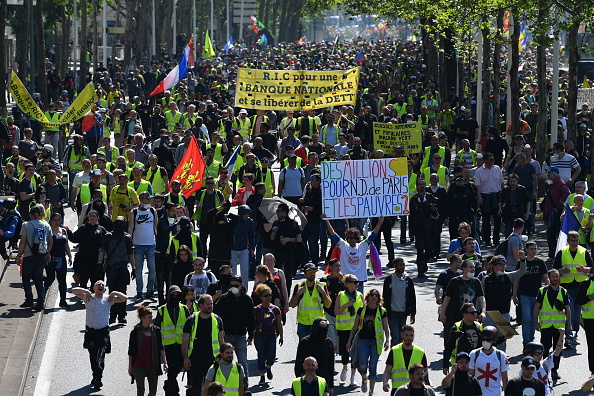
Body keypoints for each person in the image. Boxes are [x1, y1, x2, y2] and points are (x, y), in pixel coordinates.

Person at [72, 280, 127, 390]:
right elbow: (74, 290)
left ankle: (98, 379)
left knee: (100, 356)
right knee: (93, 357)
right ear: (94, 288)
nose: (101, 286)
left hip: (103, 333)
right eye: (98, 284)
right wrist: (85, 291)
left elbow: (124, 298)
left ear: (105, 289)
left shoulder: (108, 299)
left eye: (103, 285)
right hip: (91, 333)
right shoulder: (89, 298)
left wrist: (114, 292)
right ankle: (95, 375)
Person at [213, 275, 254, 390]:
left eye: (236, 286)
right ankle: (219, 387)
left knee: (243, 363)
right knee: (222, 363)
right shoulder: (224, 299)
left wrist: (251, 335)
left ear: (241, 286)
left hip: (240, 336)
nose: (233, 288)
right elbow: (216, 314)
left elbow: (251, 319)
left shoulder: (247, 300)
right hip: (226, 337)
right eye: (231, 286)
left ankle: (244, 388)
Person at [346, 289, 390, 395]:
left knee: (373, 366)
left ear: (378, 298)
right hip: (363, 341)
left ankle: (371, 391)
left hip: (376, 342)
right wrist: (349, 341)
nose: (374, 297)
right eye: (372, 295)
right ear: (368, 297)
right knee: (362, 366)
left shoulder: (382, 311)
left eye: (376, 295)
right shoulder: (362, 310)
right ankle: (364, 379)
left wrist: (387, 340)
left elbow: (386, 328)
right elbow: (355, 327)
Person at [553, 230, 592, 347]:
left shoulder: (584, 251)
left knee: (577, 314)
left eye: (577, 240)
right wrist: (561, 271)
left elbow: (592, 268)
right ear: (568, 241)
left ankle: (574, 335)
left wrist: (584, 269)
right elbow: (554, 270)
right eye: (572, 241)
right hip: (567, 287)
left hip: (581, 287)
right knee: (570, 312)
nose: (575, 243)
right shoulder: (562, 252)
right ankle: (568, 336)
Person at [324, 216, 384, 291]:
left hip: (359, 281)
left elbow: (373, 235)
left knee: (359, 301)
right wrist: (326, 220)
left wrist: (380, 222)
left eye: (352, 238)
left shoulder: (363, 246)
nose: (350, 240)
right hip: (345, 280)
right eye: (348, 237)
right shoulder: (343, 245)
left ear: (356, 238)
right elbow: (333, 234)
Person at [182, 294, 225, 396]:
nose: (210, 306)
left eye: (211, 304)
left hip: (212, 360)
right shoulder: (191, 320)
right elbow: (185, 341)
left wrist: (223, 357)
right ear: (200, 305)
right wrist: (185, 358)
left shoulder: (217, 320)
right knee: (195, 387)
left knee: (213, 388)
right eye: (207, 304)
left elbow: (221, 340)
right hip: (195, 360)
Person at [481, 254, 526, 351]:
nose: (503, 267)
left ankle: (500, 360)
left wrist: (522, 259)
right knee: (487, 339)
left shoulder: (509, 277)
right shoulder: (486, 279)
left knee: (502, 340)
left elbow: (522, 271)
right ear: (494, 266)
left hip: (504, 314)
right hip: (489, 314)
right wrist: (480, 312)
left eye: (504, 265)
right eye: (501, 265)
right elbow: (481, 297)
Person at [154, 285, 190, 396]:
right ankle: (173, 393)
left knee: (177, 368)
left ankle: (168, 386)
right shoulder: (162, 310)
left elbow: (190, 327)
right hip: (167, 347)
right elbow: (156, 328)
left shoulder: (184, 309)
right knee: (171, 371)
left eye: (177, 295)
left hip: (181, 346)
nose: (175, 297)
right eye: (173, 295)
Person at [534, 268, 570, 380]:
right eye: (553, 276)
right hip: (546, 325)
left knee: (558, 348)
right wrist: (536, 322)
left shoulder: (563, 291)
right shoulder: (542, 291)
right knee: (545, 347)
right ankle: (544, 368)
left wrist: (569, 325)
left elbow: (567, 309)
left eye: (557, 276)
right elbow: (537, 307)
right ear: (549, 278)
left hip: (559, 326)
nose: (555, 278)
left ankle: (554, 370)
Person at [440, 259, 486, 344]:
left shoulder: (476, 282)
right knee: (451, 341)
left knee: (470, 342)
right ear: (464, 269)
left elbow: (481, 298)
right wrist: (442, 314)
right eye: (470, 267)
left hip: (470, 318)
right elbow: (447, 298)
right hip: (454, 318)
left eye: (474, 267)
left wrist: (483, 312)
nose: (473, 269)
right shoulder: (455, 281)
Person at [99, 215, 135, 324]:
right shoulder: (108, 236)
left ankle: (122, 316)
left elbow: (131, 254)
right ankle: (113, 315)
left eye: (121, 223)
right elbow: (102, 250)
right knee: (112, 293)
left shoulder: (127, 238)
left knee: (122, 292)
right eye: (117, 223)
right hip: (111, 269)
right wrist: (99, 264)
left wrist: (133, 268)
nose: (119, 225)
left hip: (123, 268)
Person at [513, 241, 549, 349]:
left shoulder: (540, 262)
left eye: (535, 248)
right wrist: (514, 294)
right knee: (526, 318)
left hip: (537, 295)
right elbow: (516, 279)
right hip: (524, 294)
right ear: (527, 250)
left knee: (534, 319)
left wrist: (547, 289)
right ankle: (526, 342)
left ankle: (531, 342)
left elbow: (546, 277)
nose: (534, 251)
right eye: (532, 249)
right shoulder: (521, 262)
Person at [16, 205, 53, 309]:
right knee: (39, 278)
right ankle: (41, 302)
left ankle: (29, 299)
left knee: (26, 277)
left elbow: (22, 242)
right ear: (40, 215)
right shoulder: (46, 225)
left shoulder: (26, 225)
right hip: (41, 256)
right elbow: (50, 242)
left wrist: (19, 256)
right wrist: (47, 253)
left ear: (31, 215)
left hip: (28, 255)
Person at [127, 306, 168, 396]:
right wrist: (130, 367)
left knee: (153, 392)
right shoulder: (135, 332)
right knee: (140, 390)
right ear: (142, 318)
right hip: (138, 365)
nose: (151, 319)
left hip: (153, 365)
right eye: (149, 317)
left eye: (152, 317)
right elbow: (131, 351)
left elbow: (161, 348)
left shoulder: (156, 331)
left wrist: (165, 362)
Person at [334, 274, 363, 387]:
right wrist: (346, 305)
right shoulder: (341, 295)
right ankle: (345, 367)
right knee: (345, 353)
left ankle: (353, 376)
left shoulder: (360, 295)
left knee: (355, 354)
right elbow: (336, 312)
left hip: (356, 330)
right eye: (354, 282)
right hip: (344, 329)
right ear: (348, 283)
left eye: (357, 282)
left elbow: (363, 312)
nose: (357, 284)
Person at [129, 191, 158, 302]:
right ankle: (139, 292)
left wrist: (157, 241)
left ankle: (150, 291)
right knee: (138, 271)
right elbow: (131, 227)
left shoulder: (152, 210)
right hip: (138, 244)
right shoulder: (134, 212)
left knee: (152, 269)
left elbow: (156, 227)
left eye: (149, 199)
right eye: (146, 199)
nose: (148, 201)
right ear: (141, 200)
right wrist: (130, 242)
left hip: (151, 244)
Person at [290, 263, 332, 339]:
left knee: (318, 349)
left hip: (319, 323)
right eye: (309, 272)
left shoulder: (322, 286)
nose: (312, 274)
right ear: (305, 274)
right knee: (305, 349)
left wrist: (323, 293)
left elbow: (328, 304)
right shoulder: (299, 286)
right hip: (303, 324)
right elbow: (292, 305)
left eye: (313, 272)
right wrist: (298, 294)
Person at [253, 283, 283, 386]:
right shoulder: (256, 310)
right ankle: (262, 376)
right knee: (261, 355)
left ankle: (269, 367)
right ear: (261, 297)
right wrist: (250, 336)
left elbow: (279, 324)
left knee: (271, 356)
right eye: (266, 295)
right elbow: (253, 323)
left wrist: (281, 336)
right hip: (259, 335)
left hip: (271, 336)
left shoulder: (275, 309)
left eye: (270, 295)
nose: (269, 297)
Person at [382, 325, 428, 393]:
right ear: (402, 335)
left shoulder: (420, 352)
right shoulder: (394, 351)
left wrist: (426, 388)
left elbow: (425, 373)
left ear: (414, 336)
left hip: (416, 390)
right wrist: (385, 383)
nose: (409, 338)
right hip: (397, 390)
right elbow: (387, 371)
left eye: (411, 335)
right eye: (406, 335)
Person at [295, 318, 335, 395]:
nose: (324, 329)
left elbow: (330, 365)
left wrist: (331, 386)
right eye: (322, 326)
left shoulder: (328, 343)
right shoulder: (305, 342)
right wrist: (299, 382)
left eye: (326, 327)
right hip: (307, 381)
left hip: (323, 382)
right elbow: (299, 364)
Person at [383, 258, 416, 346]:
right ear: (395, 266)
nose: (402, 267)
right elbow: (384, 297)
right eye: (400, 265)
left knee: (402, 337)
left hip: (403, 312)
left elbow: (412, 297)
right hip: (392, 313)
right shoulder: (389, 279)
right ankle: (393, 357)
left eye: (403, 265)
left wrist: (413, 313)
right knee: (395, 336)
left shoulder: (408, 280)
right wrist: (385, 313)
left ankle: (401, 356)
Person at [469, 326, 510, 396]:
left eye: (488, 339)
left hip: (495, 393)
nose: (485, 341)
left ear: (494, 340)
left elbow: (505, 378)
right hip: (478, 394)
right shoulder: (474, 354)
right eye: (483, 339)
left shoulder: (500, 355)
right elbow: (470, 376)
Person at [409, 178, 438, 277]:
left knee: (430, 250)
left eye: (423, 184)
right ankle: (420, 269)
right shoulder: (413, 200)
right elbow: (411, 216)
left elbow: (436, 214)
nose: (422, 186)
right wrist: (411, 232)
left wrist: (434, 210)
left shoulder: (430, 197)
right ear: (417, 186)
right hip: (418, 229)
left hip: (429, 228)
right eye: (420, 184)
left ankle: (424, 262)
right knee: (420, 249)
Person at [475, 152, 505, 247]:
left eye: (493, 159)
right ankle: (487, 239)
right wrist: (479, 197)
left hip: (496, 196)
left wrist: (503, 196)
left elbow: (502, 182)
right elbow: (478, 185)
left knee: (497, 219)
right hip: (485, 196)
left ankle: (496, 239)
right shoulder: (479, 171)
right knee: (486, 219)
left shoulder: (497, 169)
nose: (493, 161)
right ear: (486, 160)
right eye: (491, 159)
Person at [271, 203, 302, 289]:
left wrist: (288, 239)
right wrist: (273, 232)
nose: (277, 213)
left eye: (278, 211)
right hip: (278, 251)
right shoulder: (276, 223)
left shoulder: (294, 224)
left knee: (288, 275)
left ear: (284, 212)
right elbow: (272, 238)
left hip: (289, 252)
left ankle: (287, 294)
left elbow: (299, 239)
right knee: (276, 274)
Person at [45, 212, 72, 308]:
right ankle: (41, 298)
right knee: (50, 278)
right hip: (51, 258)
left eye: (58, 220)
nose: (57, 222)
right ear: (51, 221)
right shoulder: (48, 230)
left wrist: (70, 256)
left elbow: (66, 245)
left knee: (62, 280)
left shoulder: (64, 231)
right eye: (55, 220)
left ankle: (63, 301)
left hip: (61, 258)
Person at [319, 258, 345, 352]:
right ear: (330, 268)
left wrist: (342, 279)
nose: (338, 268)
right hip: (328, 312)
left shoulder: (345, 280)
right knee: (331, 337)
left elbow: (351, 291)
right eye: (336, 266)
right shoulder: (324, 280)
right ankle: (331, 354)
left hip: (341, 312)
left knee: (339, 338)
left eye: (339, 266)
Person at [229, 205, 255, 289]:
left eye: (248, 214)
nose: (246, 216)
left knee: (244, 269)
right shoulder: (234, 221)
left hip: (244, 248)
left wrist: (252, 249)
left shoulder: (250, 222)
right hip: (233, 249)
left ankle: (245, 289)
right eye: (245, 214)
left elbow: (252, 236)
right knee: (233, 271)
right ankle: (233, 288)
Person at [576, 269, 594, 375]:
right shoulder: (586, 283)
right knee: (592, 347)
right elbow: (578, 300)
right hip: (590, 320)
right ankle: (593, 372)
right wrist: (588, 297)